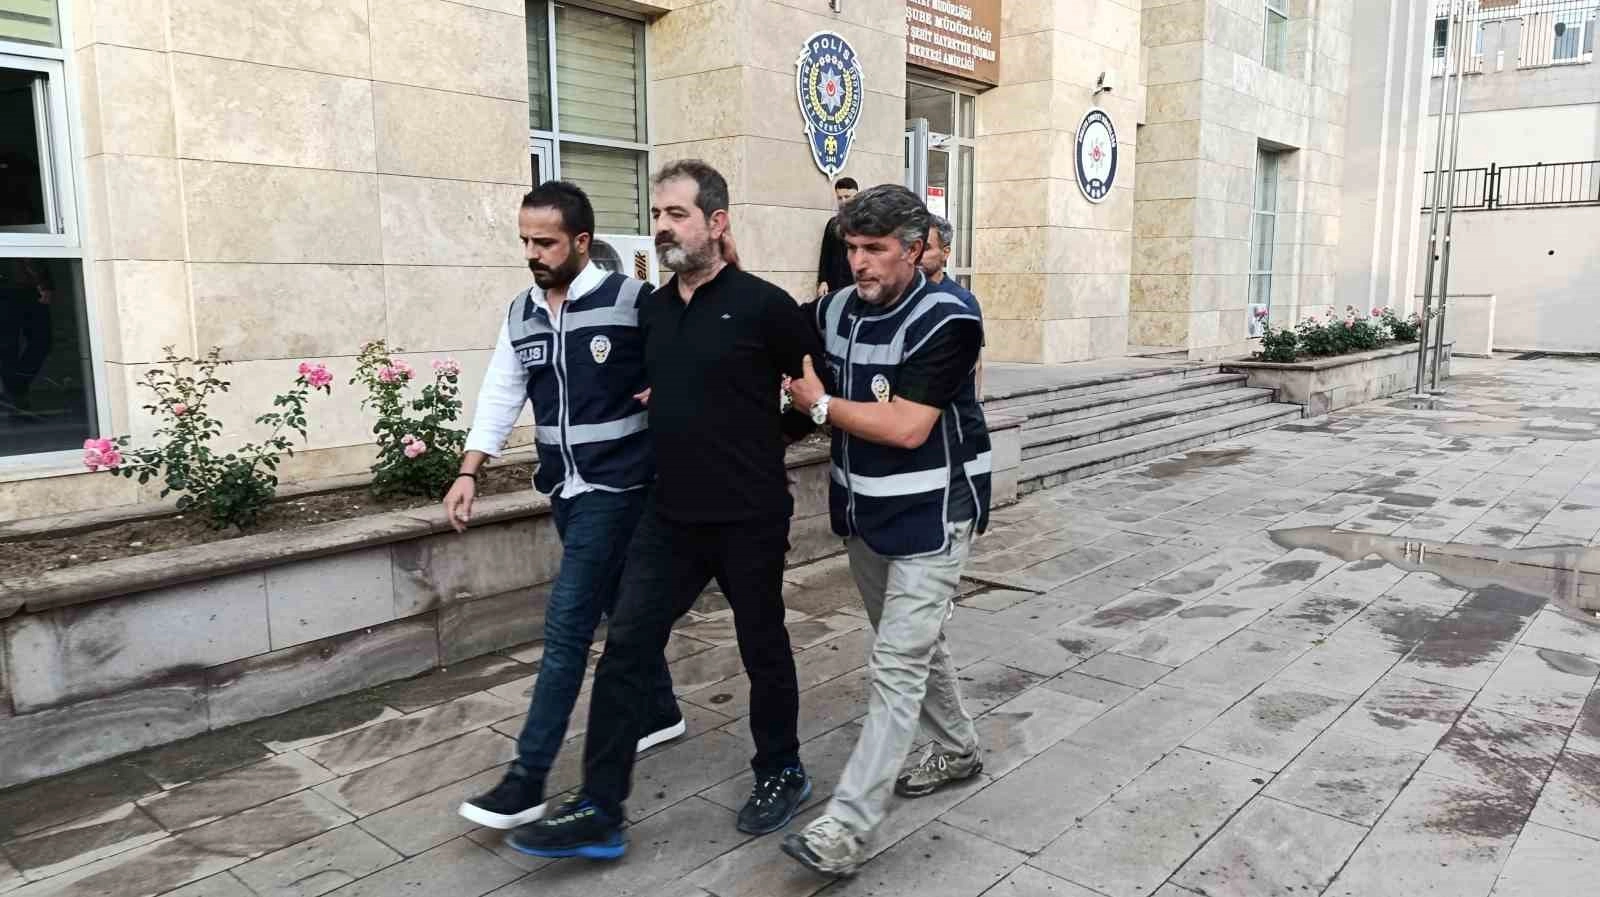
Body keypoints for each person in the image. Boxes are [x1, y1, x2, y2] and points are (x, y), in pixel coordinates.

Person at [509, 160, 825, 860]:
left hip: (748, 513)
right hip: (671, 514)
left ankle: (781, 768)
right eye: (657, 214)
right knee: (625, 647)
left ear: (717, 222)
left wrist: (767, 436)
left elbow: (813, 388)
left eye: (677, 214)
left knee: (762, 644)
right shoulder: (651, 310)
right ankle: (600, 807)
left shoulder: (765, 305)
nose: (662, 226)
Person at [445, 181, 686, 831]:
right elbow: (502, 393)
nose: (533, 253)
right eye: (525, 240)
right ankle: (660, 710)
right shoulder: (521, 313)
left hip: (621, 488)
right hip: (564, 490)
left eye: (546, 242)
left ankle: (527, 778)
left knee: (567, 629)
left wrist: (668, 380)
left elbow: (686, 351)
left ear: (582, 241)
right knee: (619, 608)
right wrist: (469, 470)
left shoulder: (631, 300)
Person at [781, 185, 991, 878]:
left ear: (915, 248)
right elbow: (774, 333)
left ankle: (844, 829)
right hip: (865, 514)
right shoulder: (836, 308)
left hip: (935, 515)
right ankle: (957, 748)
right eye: (851, 248)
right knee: (914, 646)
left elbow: (907, 426)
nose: (860, 263)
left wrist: (820, 407)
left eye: (874, 249)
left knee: (896, 665)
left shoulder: (950, 317)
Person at [920, 214, 985, 396]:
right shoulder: (897, 296)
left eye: (926, 248)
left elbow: (975, 364)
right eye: (912, 246)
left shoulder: (963, 302)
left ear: (945, 252)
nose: (917, 255)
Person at [815, 176, 859, 298]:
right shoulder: (832, 223)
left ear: (856, 197)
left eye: (847, 197)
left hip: (856, 285)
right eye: (839, 198)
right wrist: (823, 281)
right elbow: (825, 254)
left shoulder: (865, 223)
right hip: (834, 285)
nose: (843, 201)